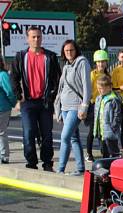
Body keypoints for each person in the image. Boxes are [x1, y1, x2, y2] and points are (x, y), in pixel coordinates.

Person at [11, 26, 61, 171]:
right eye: (33, 37)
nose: (36, 39)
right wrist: (18, 94)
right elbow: (13, 77)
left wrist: (52, 95)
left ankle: (47, 163)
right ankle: (31, 163)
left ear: (42, 37)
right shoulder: (20, 56)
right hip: (28, 103)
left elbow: (58, 78)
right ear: (28, 38)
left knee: (47, 135)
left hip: (45, 102)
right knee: (28, 133)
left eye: (38, 36)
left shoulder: (50, 56)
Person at [54, 40, 91, 176]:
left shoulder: (82, 63)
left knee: (64, 137)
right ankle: (80, 168)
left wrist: (84, 106)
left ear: (76, 50)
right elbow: (60, 89)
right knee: (73, 138)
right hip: (64, 107)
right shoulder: (65, 66)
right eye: (66, 51)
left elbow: (87, 86)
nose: (69, 53)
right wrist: (57, 108)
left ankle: (60, 169)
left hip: (76, 106)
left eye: (71, 50)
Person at [85, 50, 110, 162]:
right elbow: (87, 89)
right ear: (95, 63)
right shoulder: (92, 74)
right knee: (92, 131)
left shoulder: (108, 75)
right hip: (94, 104)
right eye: (99, 62)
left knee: (103, 130)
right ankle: (89, 153)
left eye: (103, 62)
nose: (101, 64)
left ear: (106, 62)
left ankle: (104, 151)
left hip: (104, 104)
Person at [93, 75, 122, 158]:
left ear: (109, 87)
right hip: (101, 131)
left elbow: (118, 115)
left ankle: (114, 168)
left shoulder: (113, 99)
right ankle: (106, 169)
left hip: (110, 131)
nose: (99, 90)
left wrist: (113, 127)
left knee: (113, 152)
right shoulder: (98, 98)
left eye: (101, 88)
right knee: (104, 152)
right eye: (98, 88)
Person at [0, 57, 17, 164]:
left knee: (1, 132)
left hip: (2, 108)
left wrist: (13, 103)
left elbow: (10, 92)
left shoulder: (2, 75)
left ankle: (4, 156)